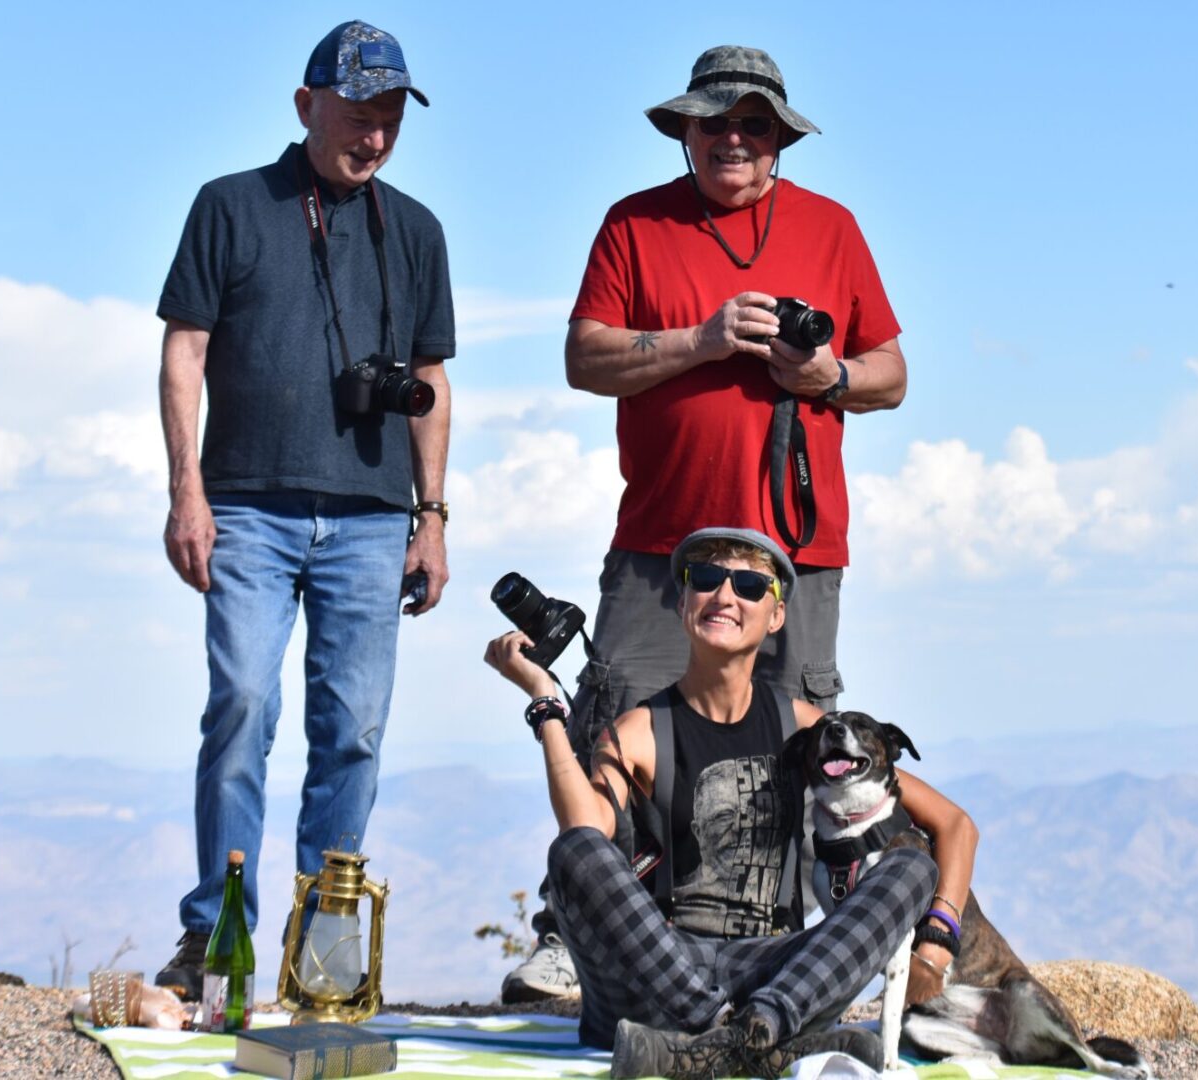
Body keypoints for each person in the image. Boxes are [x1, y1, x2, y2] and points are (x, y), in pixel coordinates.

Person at [504, 42, 909, 1004]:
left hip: (798, 549)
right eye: (714, 121)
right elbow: (584, 357)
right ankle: (577, 937)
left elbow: (891, 372)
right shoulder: (634, 225)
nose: (732, 138)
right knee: (619, 729)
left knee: (805, 746)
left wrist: (827, 377)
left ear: (780, 142)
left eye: (753, 124)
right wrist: (703, 339)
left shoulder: (833, 229)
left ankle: (819, 957)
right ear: (684, 130)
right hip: (659, 540)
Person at [151, 20, 455, 998]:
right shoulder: (231, 206)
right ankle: (219, 937)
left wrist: (433, 516)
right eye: (358, 114)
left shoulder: (415, 230)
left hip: (373, 519)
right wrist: (185, 492)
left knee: (355, 728)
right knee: (241, 707)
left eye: (390, 120)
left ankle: (323, 954)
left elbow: (434, 377)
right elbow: (183, 351)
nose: (373, 136)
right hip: (245, 506)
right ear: (305, 105)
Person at [485, 528, 976, 1079]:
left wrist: (935, 945)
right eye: (707, 580)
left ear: (777, 616)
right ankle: (741, 1039)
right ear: (682, 602)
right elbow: (585, 835)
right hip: (658, 969)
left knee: (909, 867)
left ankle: (738, 1038)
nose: (724, 596)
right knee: (573, 850)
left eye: (748, 585)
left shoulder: (808, 730)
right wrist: (546, 703)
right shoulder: (640, 730)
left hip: (774, 970)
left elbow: (955, 825)